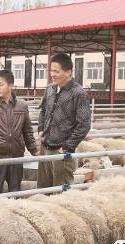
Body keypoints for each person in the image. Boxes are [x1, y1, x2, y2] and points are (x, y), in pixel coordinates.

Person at [0, 70, 38, 194]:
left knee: (15, 190)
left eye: (1, 84)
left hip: (16, 154)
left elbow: (27, 130)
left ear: (10, 85)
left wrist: (34, 150)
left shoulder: (22, 106)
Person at [37, 53, 91, 188]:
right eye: (51, 70)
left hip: (62, 151)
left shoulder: (78, 93)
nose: (52, 74)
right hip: (45, 147)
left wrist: (67, 146)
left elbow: (84, 124)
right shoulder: (50, 89)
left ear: (68, 72)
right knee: (43, 189)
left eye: (56, 71)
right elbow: (43, 110)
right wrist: (41, 129)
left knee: (61, 191)